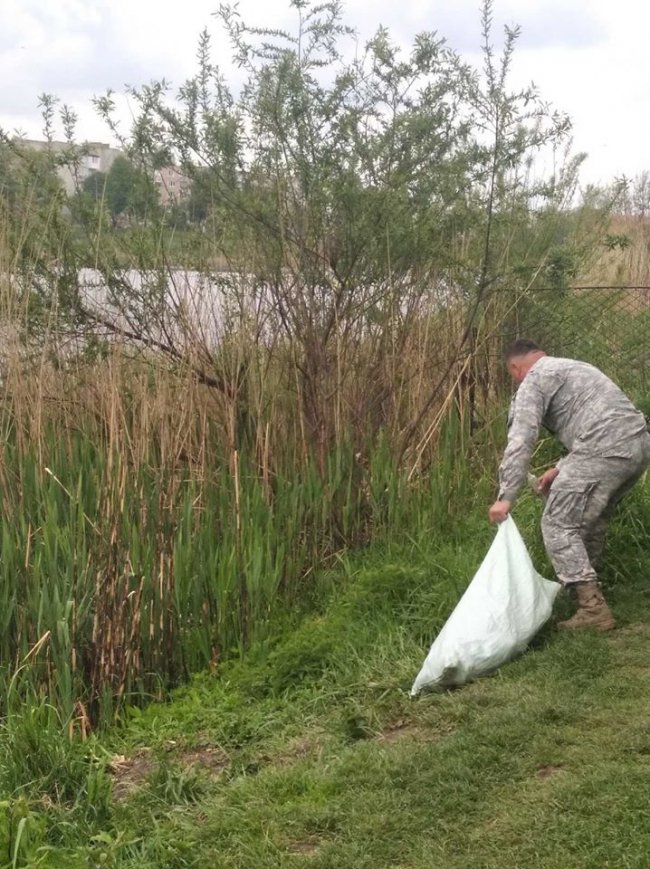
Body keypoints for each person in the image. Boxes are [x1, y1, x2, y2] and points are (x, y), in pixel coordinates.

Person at [489, 339, 650, 631]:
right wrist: (560, 468)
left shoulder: (533, 380)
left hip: (603, 448)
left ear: (516, 367)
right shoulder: (572, 367)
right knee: (591, 518)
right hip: (637, 446)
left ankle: (593, 610)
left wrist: (505, 496)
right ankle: (587, 591)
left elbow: (521, 440)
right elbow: (597, 420)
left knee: (558, 522)